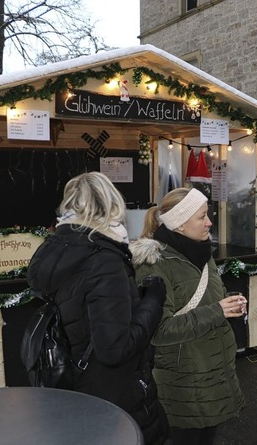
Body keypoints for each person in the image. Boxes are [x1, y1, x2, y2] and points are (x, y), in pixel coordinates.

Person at [26, 171, 169, 445]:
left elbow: (83, 309)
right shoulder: (104, 258)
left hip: (73, 384)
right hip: (115, 395)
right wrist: (152, 300)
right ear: (112, 205)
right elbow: (115, 349)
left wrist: (132, 299)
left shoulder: (54, 249)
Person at [129, 187, 246, 445]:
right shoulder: (155, 264)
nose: (210, 222)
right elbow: (159, 331)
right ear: (180, 225)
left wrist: (230, 304)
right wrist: (218, 311)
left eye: (208, 214)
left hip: (213, 371)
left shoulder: (202, 253)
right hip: (183, 381)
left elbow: (214, 297)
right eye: (202, 217)